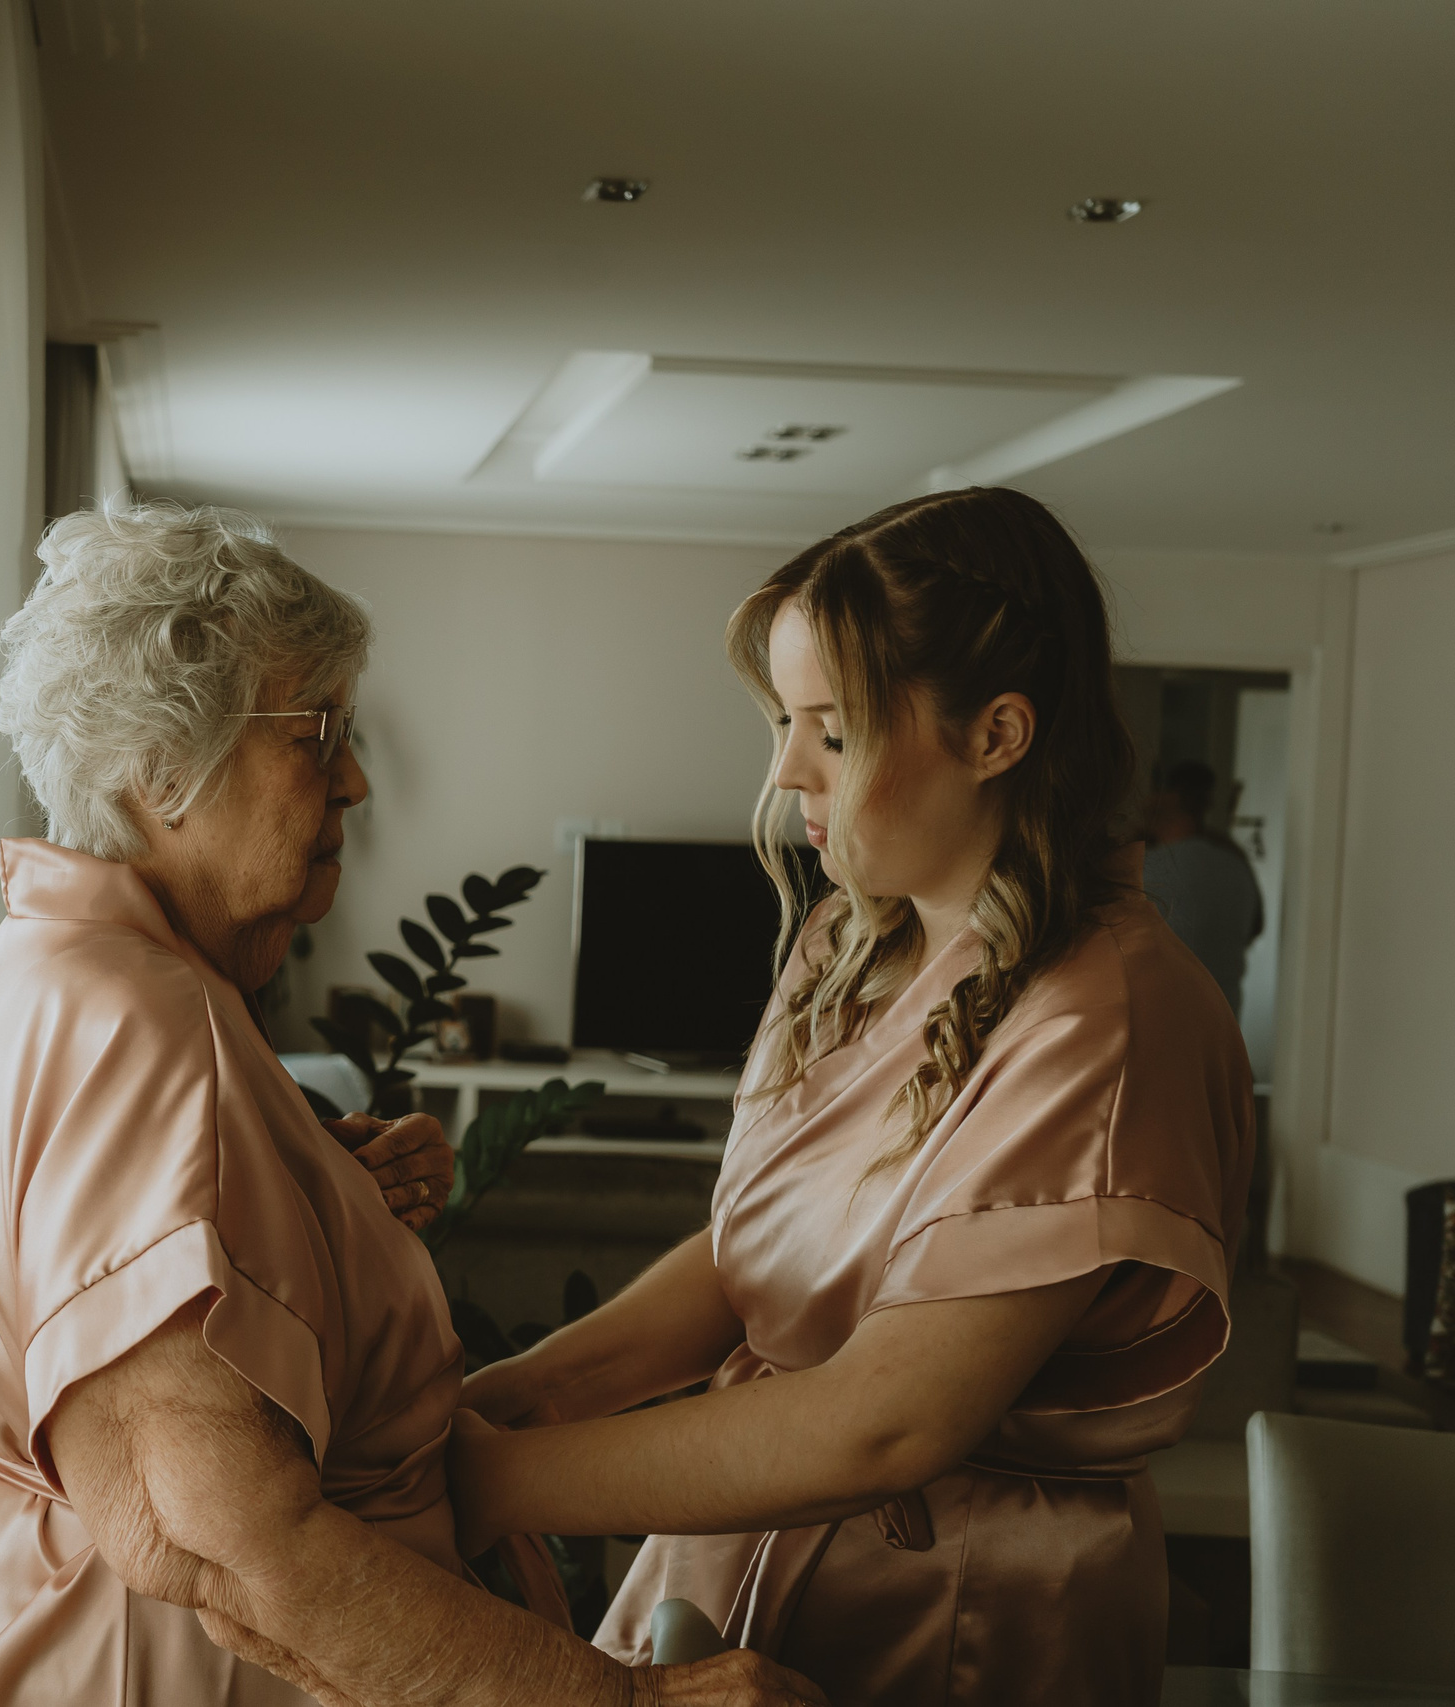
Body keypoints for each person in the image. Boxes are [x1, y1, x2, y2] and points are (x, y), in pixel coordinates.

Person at [0, 503, 820, 1707]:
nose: (357, 780)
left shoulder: (78, 973)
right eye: (315, 734)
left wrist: (319, 1202)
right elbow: (231, 1545)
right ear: (162, 769)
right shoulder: (137, 1031)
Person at [450, 487, 1254, 1705]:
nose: (783, 773)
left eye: (831, 731)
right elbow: (747, 1258)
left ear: (997, 734)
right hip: (737, 1548)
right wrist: (516, 1398)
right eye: (783, 722)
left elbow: (889, 1423)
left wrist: (496, 1481)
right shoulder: (848, 943)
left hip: (963, 1606)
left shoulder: (1112, 1016)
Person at [1143, 758, 1264, 1012]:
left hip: (1165, 1024)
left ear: (1170, 797)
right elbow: (1256, 926)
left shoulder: (1145, 867)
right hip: (1225, 1023)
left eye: (1152, 790)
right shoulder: (1234, 862)